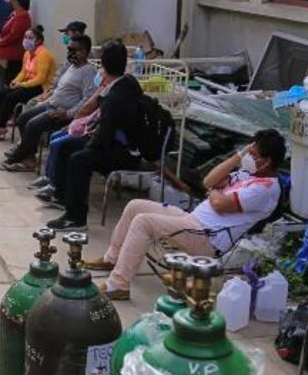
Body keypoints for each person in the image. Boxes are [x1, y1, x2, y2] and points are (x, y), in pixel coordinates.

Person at [86, 129, 286, 300]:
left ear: (266, 162)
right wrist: (238, 157)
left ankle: (119, 285)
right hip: (192, 221)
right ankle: (111, 259)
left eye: (253, 154)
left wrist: (214, 192)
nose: (249, 157)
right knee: (135, 206)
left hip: (207, 237)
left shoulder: (265, 190)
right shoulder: (248, 174)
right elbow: (208, 181)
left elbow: (218, 204)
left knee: (143, 222)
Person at [47, 42, 147, 231]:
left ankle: (76, 218)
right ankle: (61, 196)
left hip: (125, 152)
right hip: (113, 142)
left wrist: (88, 145)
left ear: (104, 65)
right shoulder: (123, 84)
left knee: (79, 159)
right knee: (66, 146)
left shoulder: (118, 96)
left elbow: (105, 134)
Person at [0, 34, 97, 166]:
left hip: (63, 112)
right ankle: (28, 155)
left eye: (73, 50)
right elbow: (59, 89)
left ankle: (21, 156)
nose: (69, 53)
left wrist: (68, 113)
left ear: (84, 52)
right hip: (51, 104)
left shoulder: (88, 71)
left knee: (33, 125)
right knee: (22, 118)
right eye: (69, 49)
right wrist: (46, 99)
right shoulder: (71, 66)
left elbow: (87, 100)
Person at [0, 25, 54, 134]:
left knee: (11, 97)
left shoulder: (44, 55)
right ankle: (3, 122)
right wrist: (15, 81)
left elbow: (40, 79)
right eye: (25, 37)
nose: (26, 40)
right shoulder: (27, 53)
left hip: (40, 87)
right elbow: (23, 72)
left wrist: (21, 85)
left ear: (38, 41)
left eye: (30, 38)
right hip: (28, 84)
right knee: (3, 93)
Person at [0, 0, 32, 97]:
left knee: (8, 83)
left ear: (16, 0)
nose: (9, 1)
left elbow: (13, 35)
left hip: (13, 57)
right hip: (6, 56)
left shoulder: (23, 16)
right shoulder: (15, 14)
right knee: (3, 82)